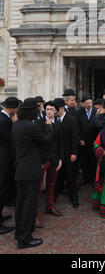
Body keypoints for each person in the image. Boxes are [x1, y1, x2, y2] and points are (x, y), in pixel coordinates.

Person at [12, 98, 53, 249]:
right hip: (31, 169)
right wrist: (49, 126)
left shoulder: (17, 125)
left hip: (20, 168)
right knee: (29, 204)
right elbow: (46, 140)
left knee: (21, 203)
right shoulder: (31, 126)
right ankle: (25, 238)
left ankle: (20, 232)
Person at [36, 101, 63, 227]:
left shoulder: (58, 124)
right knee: (38, 187)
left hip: (54, 159)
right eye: (47, 109)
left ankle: (50, 206)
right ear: (44, 110)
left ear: (56, 111)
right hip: (42, 160)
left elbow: (61, 143)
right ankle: (34, 214)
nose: (49, 111)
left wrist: (60, 159)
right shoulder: (39, 123)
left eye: (52, 109)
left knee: (52, 184)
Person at [54, 98, 79, 208]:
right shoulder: (53, 120)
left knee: (71, 177)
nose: (54, 111)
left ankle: (74, 198)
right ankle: (53, 198)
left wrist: (74, 152)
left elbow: (75, 138)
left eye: (55, 109)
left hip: (69, 154)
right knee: (56, 178)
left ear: (61, 108)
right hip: (57, 155)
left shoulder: (72, 119)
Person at [0, 97, 19, 234]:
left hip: (5, 157)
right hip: (4, 158)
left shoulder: (4, 117)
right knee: (2, 187)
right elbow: (11, 138)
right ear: (12, 108)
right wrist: (15, 124)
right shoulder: (4, 121)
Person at [77, 95, 98, 187]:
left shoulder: (96, 111)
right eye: (87, 103)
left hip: (94, 141)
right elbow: (77, 127)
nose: (89, 105)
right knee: (84, 161)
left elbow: (98, 128)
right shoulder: (79, 112)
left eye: (90, 103)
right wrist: (80, 139)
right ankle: (86, 178)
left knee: (94, 161)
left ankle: (93, 179)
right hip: (84, 142)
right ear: (83, 104)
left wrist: (97, 140)